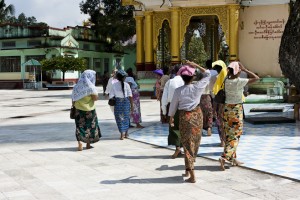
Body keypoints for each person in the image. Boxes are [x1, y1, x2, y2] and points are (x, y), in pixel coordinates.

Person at [169, 61, 211, 183]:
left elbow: (173, 106)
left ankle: (192, 175)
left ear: (182, 77)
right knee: (195, 143)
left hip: (184, 118)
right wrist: (195, 64)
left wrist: (171, 118)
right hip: (197, 116)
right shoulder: (198, 87)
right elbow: (208, 74)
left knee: (187, 145)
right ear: (193, 77)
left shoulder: (178, 90)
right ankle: (188, 169)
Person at [219, 62, 259, 171]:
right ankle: (225, 157)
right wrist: (246, 70)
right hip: (236, 110)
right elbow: (256, 78)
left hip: (227, 109)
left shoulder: (226, 80)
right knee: (235, 135)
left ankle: (233, 159)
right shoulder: (239, 81)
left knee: (229, 134)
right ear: (238, 71)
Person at [71, 70, 101, 151]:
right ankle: (88, 144)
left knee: (79, 126)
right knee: (90, 127)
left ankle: (79, 143)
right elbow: (95, 99)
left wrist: (74, 106)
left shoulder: (76, 86)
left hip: (78, 109)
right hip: (90, 110)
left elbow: (73, 99)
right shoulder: (91, 87)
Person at [161, 64, 184, 159]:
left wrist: (164, 110)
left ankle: (178, 148)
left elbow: (164, 98)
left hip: (172, 107)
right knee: (184, 128)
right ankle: (184, 149)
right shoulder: (185, 81)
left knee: (174, 128)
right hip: (184, 107)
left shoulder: (170, 82)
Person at [109, 69, 133, 140]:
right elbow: (130, 96)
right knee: (126, 117)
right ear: (124, 77)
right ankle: (126, 133)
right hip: (126, 103)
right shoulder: (127, 85)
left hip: (118, 103)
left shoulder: (114, 85)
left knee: (119, 119)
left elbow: (111, 96)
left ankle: (122, 134)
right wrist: (132, 105)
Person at [200, 60, 218, 136]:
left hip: (201, 98)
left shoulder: (200, 82)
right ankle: (209, 127)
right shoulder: (216, 73)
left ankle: (201, 128)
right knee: (210, 113)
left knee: (201, 113)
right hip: (210, 96)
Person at [212, 60, 228, 147]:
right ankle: (227, 140)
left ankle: (222, 141)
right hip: (229, 104)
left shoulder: (216, 78)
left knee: (220, 123)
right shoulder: (229, 77)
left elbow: (215, 93)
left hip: (219, 103)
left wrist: (214, 109)